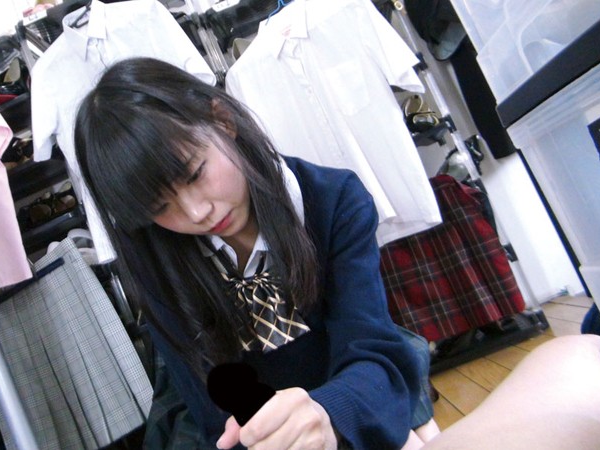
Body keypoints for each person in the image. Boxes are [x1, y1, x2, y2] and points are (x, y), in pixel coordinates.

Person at [73, 57, 434, 449]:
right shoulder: (153, 258)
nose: (196, 212)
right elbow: (211, 407)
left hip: (352, 396)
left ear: (222, 120)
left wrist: (326, 413)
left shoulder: (332, 201)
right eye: (160, 207)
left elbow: (368, 346)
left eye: (195, 174)